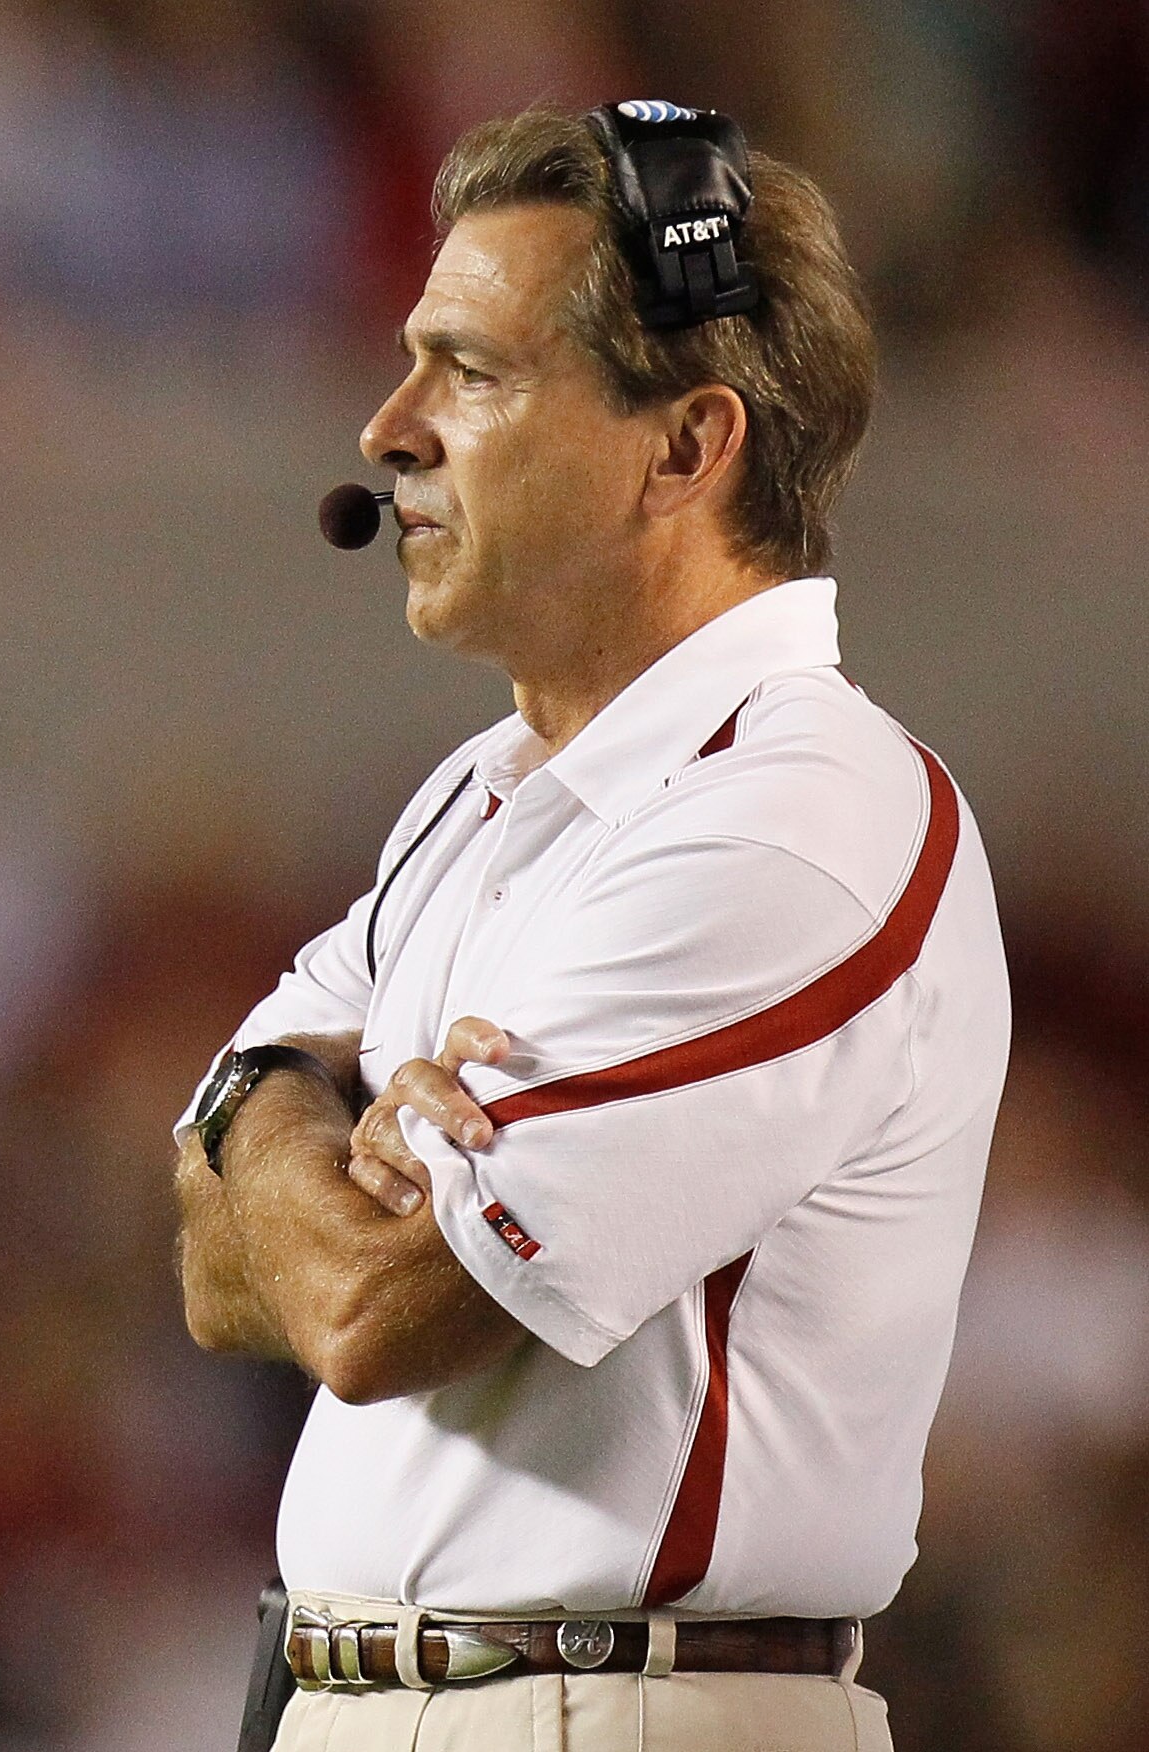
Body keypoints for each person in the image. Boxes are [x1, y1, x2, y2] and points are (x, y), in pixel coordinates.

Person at [172, 103, 1008, 1751]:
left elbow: (363, 1316)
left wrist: (276, 1118)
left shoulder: (805, 814)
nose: (388, 425)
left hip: (617, 1714)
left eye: (471, 371)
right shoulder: (483, 791)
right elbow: (209, 1267)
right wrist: (298, 1117)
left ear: (687, 446)